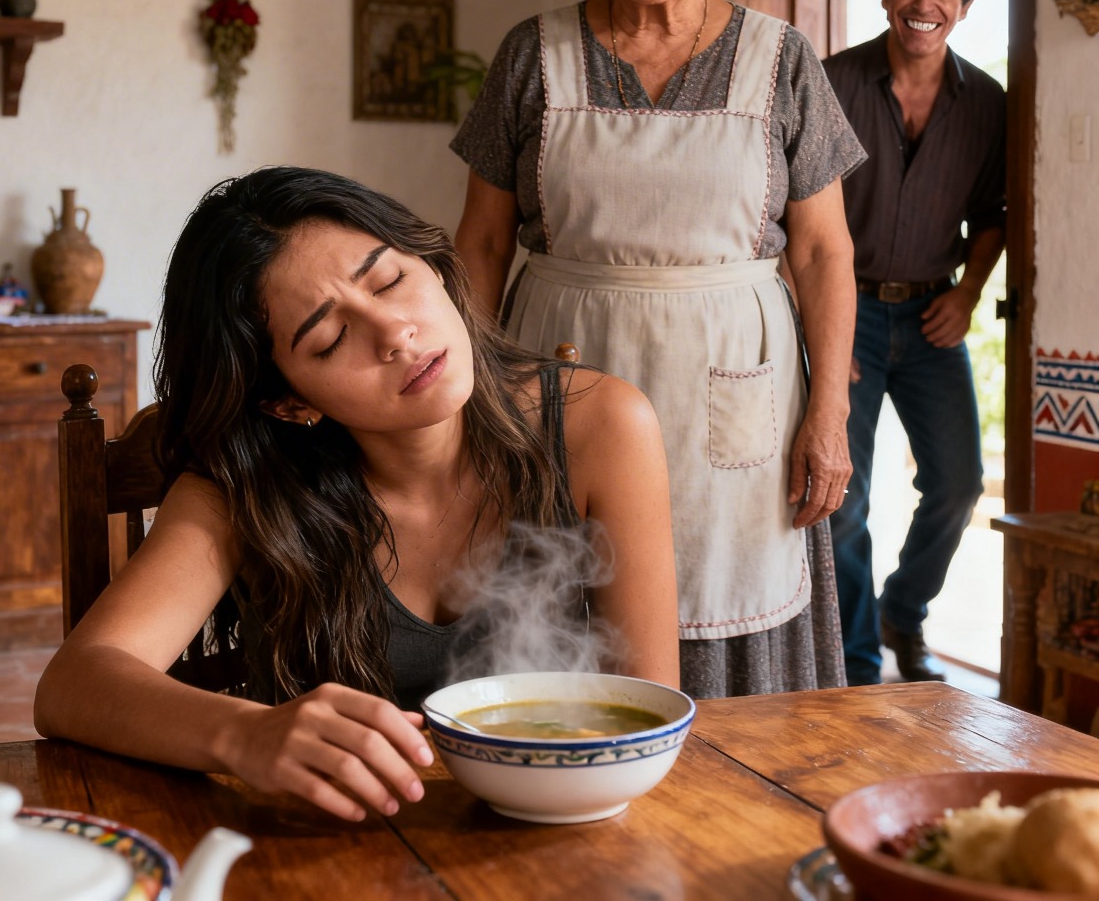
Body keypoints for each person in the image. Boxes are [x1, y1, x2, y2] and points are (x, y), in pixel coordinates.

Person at [34, 166, 678, 821]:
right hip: (334, 853)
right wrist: (245, 733)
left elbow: (651, 713)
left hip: (563, 829)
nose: (397, 333)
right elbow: (72, 684)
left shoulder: (600, 428)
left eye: (390, 279)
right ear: (287, 402)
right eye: (331, 337)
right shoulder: (246, 492)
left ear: (430, 264)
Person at [450, 0, 866, 699]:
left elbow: (827, 252)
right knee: (561, 603)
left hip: (736, 391)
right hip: (558, 375)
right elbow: (481, 243)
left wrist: (828, 416)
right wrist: (469, 402)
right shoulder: (534, 54)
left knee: (729, 583)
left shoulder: (783, 60)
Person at [822, 0, 1005, 686]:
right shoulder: (830, 82)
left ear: (963, 7)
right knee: (843, 502)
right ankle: (859, 667)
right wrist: (821, 331)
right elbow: (794, 218)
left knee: (959, 482)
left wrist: (967, 295)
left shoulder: (988, 102)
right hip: (846, 316)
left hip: (935, 315)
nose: (924, 3)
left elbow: (995, 214)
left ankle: (907, 608)